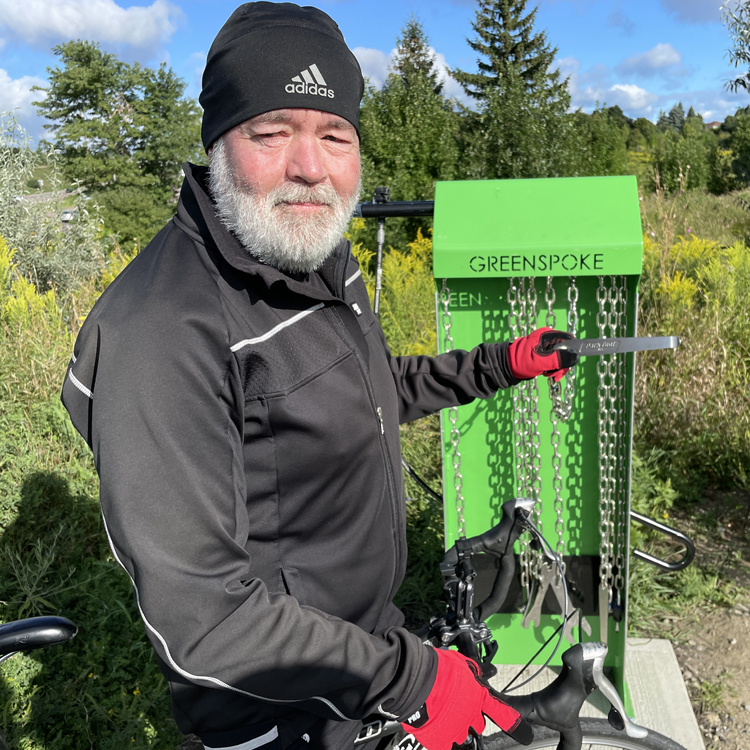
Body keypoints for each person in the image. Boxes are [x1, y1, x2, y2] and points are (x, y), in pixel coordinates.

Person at [61, 4, 577, 750]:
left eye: (335, 135)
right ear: (217, 143)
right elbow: (206, 621)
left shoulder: (312, 256)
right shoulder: (162, 331)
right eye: (272, 132)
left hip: (363, 651)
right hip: (276, 707)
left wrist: (502, 363)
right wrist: (414, 681)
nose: (310, 167)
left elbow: (366, 393)